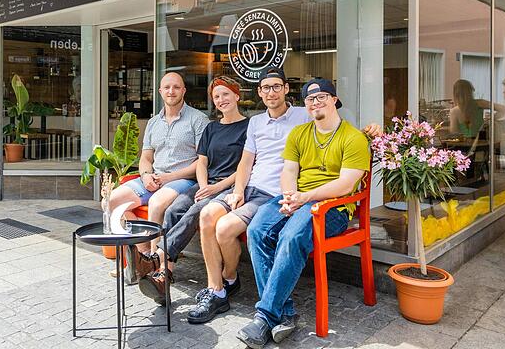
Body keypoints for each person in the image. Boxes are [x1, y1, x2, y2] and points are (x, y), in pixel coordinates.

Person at [237, 79, 371, 348]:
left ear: (334, 99)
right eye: (310, 99)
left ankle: (265, 316)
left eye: (321, 97)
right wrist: (289, 197)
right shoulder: (299, 133)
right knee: (256, 229)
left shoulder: (353, 138)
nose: (315, 103)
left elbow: (346, 185)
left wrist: (303, 199)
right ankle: (284, 313)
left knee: (291, 234)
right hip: (297, 199)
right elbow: (288, 172)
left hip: (332, 207)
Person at [185, 67, 311, 323]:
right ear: (259, 93)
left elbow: (333, 120)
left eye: (277, 87)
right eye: (266, 88)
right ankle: (217, 289)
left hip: (272, 195)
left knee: (224, 229)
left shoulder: (303, 114)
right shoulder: (256, 122)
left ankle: (229, 279)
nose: (271, 92)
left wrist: (370, 130)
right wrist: (238, 190)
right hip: (248, 188)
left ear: (286, 89)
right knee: (208, 214)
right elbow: (245, 162)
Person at [138, 76, 249, 305]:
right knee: (175, 209)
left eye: (225, 94)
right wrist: (205, 185)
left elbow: (246, 167)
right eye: (216, 96)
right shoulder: (212, 128)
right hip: (207, 184)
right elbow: (201, 162)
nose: (221, 100)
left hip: (228, 187)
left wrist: (215, 187)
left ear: (237, 95)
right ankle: (163, 275)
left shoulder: (249, 127)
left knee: (196, 210)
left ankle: (158, 257)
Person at [106, 72, 209, 284]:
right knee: (112, 201)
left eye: (176, 87)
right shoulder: (154, 123)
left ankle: (156, 267)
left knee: (156, 203)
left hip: (184, 179)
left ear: (184, 91)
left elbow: (202, 161)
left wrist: (169, 177)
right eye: (167, 87)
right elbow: (145, 158)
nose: (171, 91)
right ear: (160, 91)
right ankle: (140, 256)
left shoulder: (198, 120)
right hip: (153, 178)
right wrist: (145, 175)